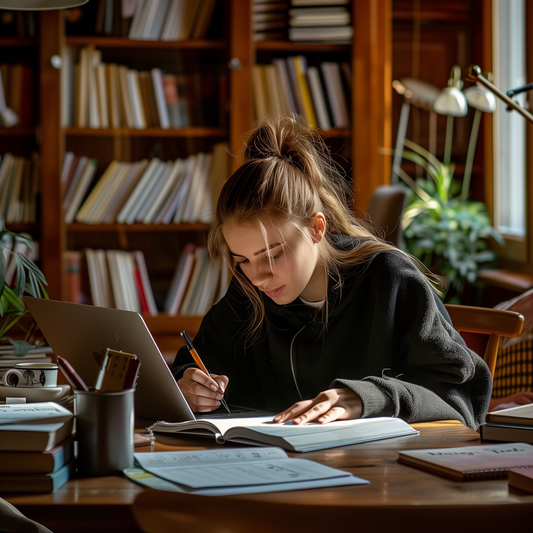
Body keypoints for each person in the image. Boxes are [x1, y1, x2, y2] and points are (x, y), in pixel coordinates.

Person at [171, 114, 492, 430]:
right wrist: (188, 386)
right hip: (282, 470)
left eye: (273, 255)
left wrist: (366, 397)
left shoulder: (389, 279)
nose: (257, 277)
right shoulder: (250, 289)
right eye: (242, 260)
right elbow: (193, 364)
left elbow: (460, 402)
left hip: (381, 475)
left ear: (316, 228)